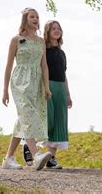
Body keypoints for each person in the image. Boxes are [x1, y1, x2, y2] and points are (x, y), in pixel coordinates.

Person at [1, 7, 53, 170]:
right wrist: (5, 90)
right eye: (32, 16)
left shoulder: (41, 41)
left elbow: (44, 65)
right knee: (27, 112)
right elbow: (9, 65)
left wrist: (47, 87)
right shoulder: (16, 40)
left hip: (36, 83)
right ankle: (36, 154)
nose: (36, 19)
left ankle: (8, 158)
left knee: (23, 119)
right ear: (25, 20)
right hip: (19, 81)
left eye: (37, 17)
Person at [23, 20, 72, 169]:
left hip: (60, 89)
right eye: (53, 29)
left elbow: (64, 75)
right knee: (47, 120)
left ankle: (51, 158)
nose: (57, 30)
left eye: (59, 28)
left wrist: (68, 94)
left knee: (58, 123)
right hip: (47, 86)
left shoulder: (62, 53)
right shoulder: (43, 49)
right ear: (47, 32)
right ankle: (28, 144)